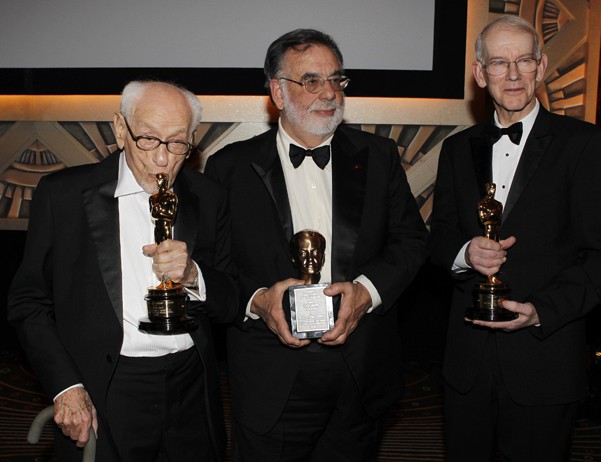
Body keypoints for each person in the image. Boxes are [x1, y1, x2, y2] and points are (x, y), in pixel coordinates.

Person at [204, 28, 429, 462]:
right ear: (277, 91)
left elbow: (411, 240)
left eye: (336, 79)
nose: (329, 93)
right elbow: (215, 266)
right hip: (270, 375)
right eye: (311, 81)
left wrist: (366, 292)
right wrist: (258, 300)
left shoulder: (379, 156)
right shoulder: (229, 168)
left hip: (359, 370)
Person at [8, 80, 238, 461]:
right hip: (107, 389)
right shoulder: (63, 195)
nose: (162, 159)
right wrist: (66, 387)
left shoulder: (209, 197)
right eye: (148, 139)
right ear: (120, 129)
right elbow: (27, 302)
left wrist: (193, 275)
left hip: (192, 390)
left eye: (177, 143)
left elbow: (231, 301)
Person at [429, 16, 601, 461]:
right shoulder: (457, 148)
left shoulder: (584, 144)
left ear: (542, 66)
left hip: (545, 361)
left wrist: (541, 311)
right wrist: (465, 253)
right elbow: (438, 237)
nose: (513, 74)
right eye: (500, 62)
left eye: (524, 60)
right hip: (467, 367)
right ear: (480, 74)